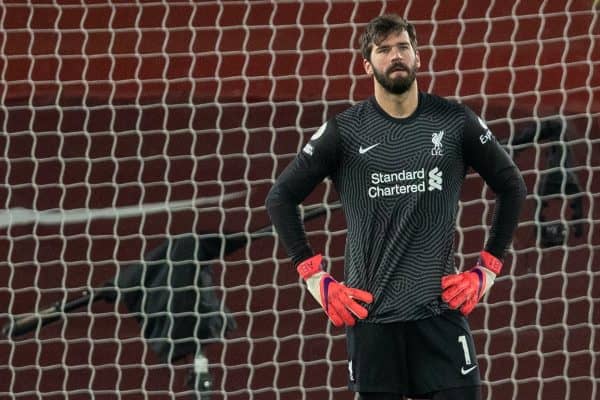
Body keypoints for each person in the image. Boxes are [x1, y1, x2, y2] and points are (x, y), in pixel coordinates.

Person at [266, 14, 526, 400]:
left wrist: (486, 269)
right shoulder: (345, 130)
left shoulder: (455, 121)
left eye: (403, 47)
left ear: (418, 57)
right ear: (367, 65)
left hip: (439, 318)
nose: (396, 56)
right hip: (372, 322)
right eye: (384, 50)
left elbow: (512, 186)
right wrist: (314, 276)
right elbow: (280, 198)